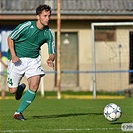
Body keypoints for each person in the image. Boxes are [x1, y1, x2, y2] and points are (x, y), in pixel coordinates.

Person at [7, 4, 56, 121]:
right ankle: (19, 88)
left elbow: (52, 51)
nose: (47, 18)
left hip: (33, 60)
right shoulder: (27, 26)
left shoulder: (48, 33)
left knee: (35, 84)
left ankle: (18, 112)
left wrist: (51, 59)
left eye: (49, 16)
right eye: (45, 16)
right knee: (12, 91)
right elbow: (10, 38)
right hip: (17, 60)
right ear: (38, 16)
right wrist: (13, 55)